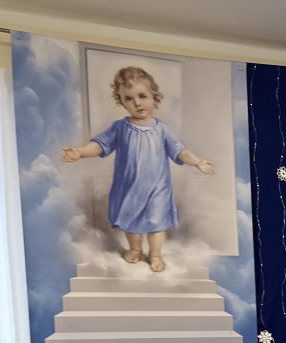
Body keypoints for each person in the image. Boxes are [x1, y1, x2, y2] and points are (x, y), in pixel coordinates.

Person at [62, 66, 214, 272]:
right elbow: (100, 144)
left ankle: (155, 255)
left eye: (142, 96)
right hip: (129, 188)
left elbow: (180, 151)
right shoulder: (120, 128)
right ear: (122, 102)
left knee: (156, 223)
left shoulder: (162, 130)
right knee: (131, 221)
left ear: (154, 97)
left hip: (157, 189)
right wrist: (80, 152)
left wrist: (198, 162)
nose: (137, 103)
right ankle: (135, 249)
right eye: (129, 99)